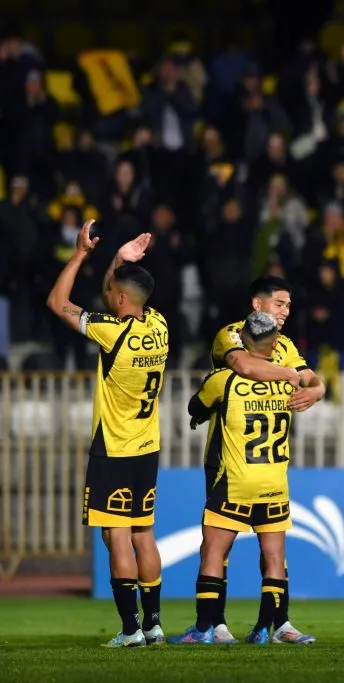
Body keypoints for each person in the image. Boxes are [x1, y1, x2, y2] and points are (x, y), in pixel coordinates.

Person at [46, 222, 167, 647]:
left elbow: (58, 302)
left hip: (114, 449)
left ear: (119, 299)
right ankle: (153, 625)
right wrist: (119, 261)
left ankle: (130, 630)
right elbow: (118, 295)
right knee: (142, 534)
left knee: (116, 535)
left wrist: (81, 253)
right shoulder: (158, 325)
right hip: (147, 447)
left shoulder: (112, 332)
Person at [170, 311, 320, 645]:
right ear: (275, 344)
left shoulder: (223, 379)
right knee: (274, 558)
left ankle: (204, 628)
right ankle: (264, 629)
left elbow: (196, 407)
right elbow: (311, 384)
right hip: (274, 483)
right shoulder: (288, 382)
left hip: (235, 481)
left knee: (213, 553)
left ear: (242, 341)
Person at [206, 275, 324, 644]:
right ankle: (216, 624)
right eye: (279, 304)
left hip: (266, 467)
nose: (286, 311)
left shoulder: (284, 344)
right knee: (220, 546)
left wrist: (317, 390)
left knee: (269, 546)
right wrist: (291, 376)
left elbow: (311, 378)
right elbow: (246, 366)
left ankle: (276, 623)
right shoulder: (231, 335)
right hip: (226, 458)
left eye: (288, 305)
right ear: (257, 304)